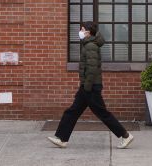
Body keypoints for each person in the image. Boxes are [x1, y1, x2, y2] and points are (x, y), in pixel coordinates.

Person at [47, 21, 134, 149]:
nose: (80, 32)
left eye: (82, 29)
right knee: (72, 112)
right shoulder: (89, 45)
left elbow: (92, 69)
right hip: (88, 86)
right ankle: (62, 138)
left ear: (88, 32)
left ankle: (125, 136)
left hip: (90, 87)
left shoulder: (90, 46)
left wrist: (86, 87)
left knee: (102, 114)